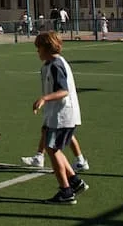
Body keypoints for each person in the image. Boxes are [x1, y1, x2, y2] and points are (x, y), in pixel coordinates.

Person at [32, 31, 87, 205]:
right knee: (53, 148)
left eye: (39, 48)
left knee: (52, 148)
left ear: (47, 48)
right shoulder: (50, 64)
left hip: (63, 115)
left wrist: (44, 98)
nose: (37, 52)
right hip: (56, 115)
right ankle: (74, 182)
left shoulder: (56, 65)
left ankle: (66, 192)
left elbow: (64, 91)